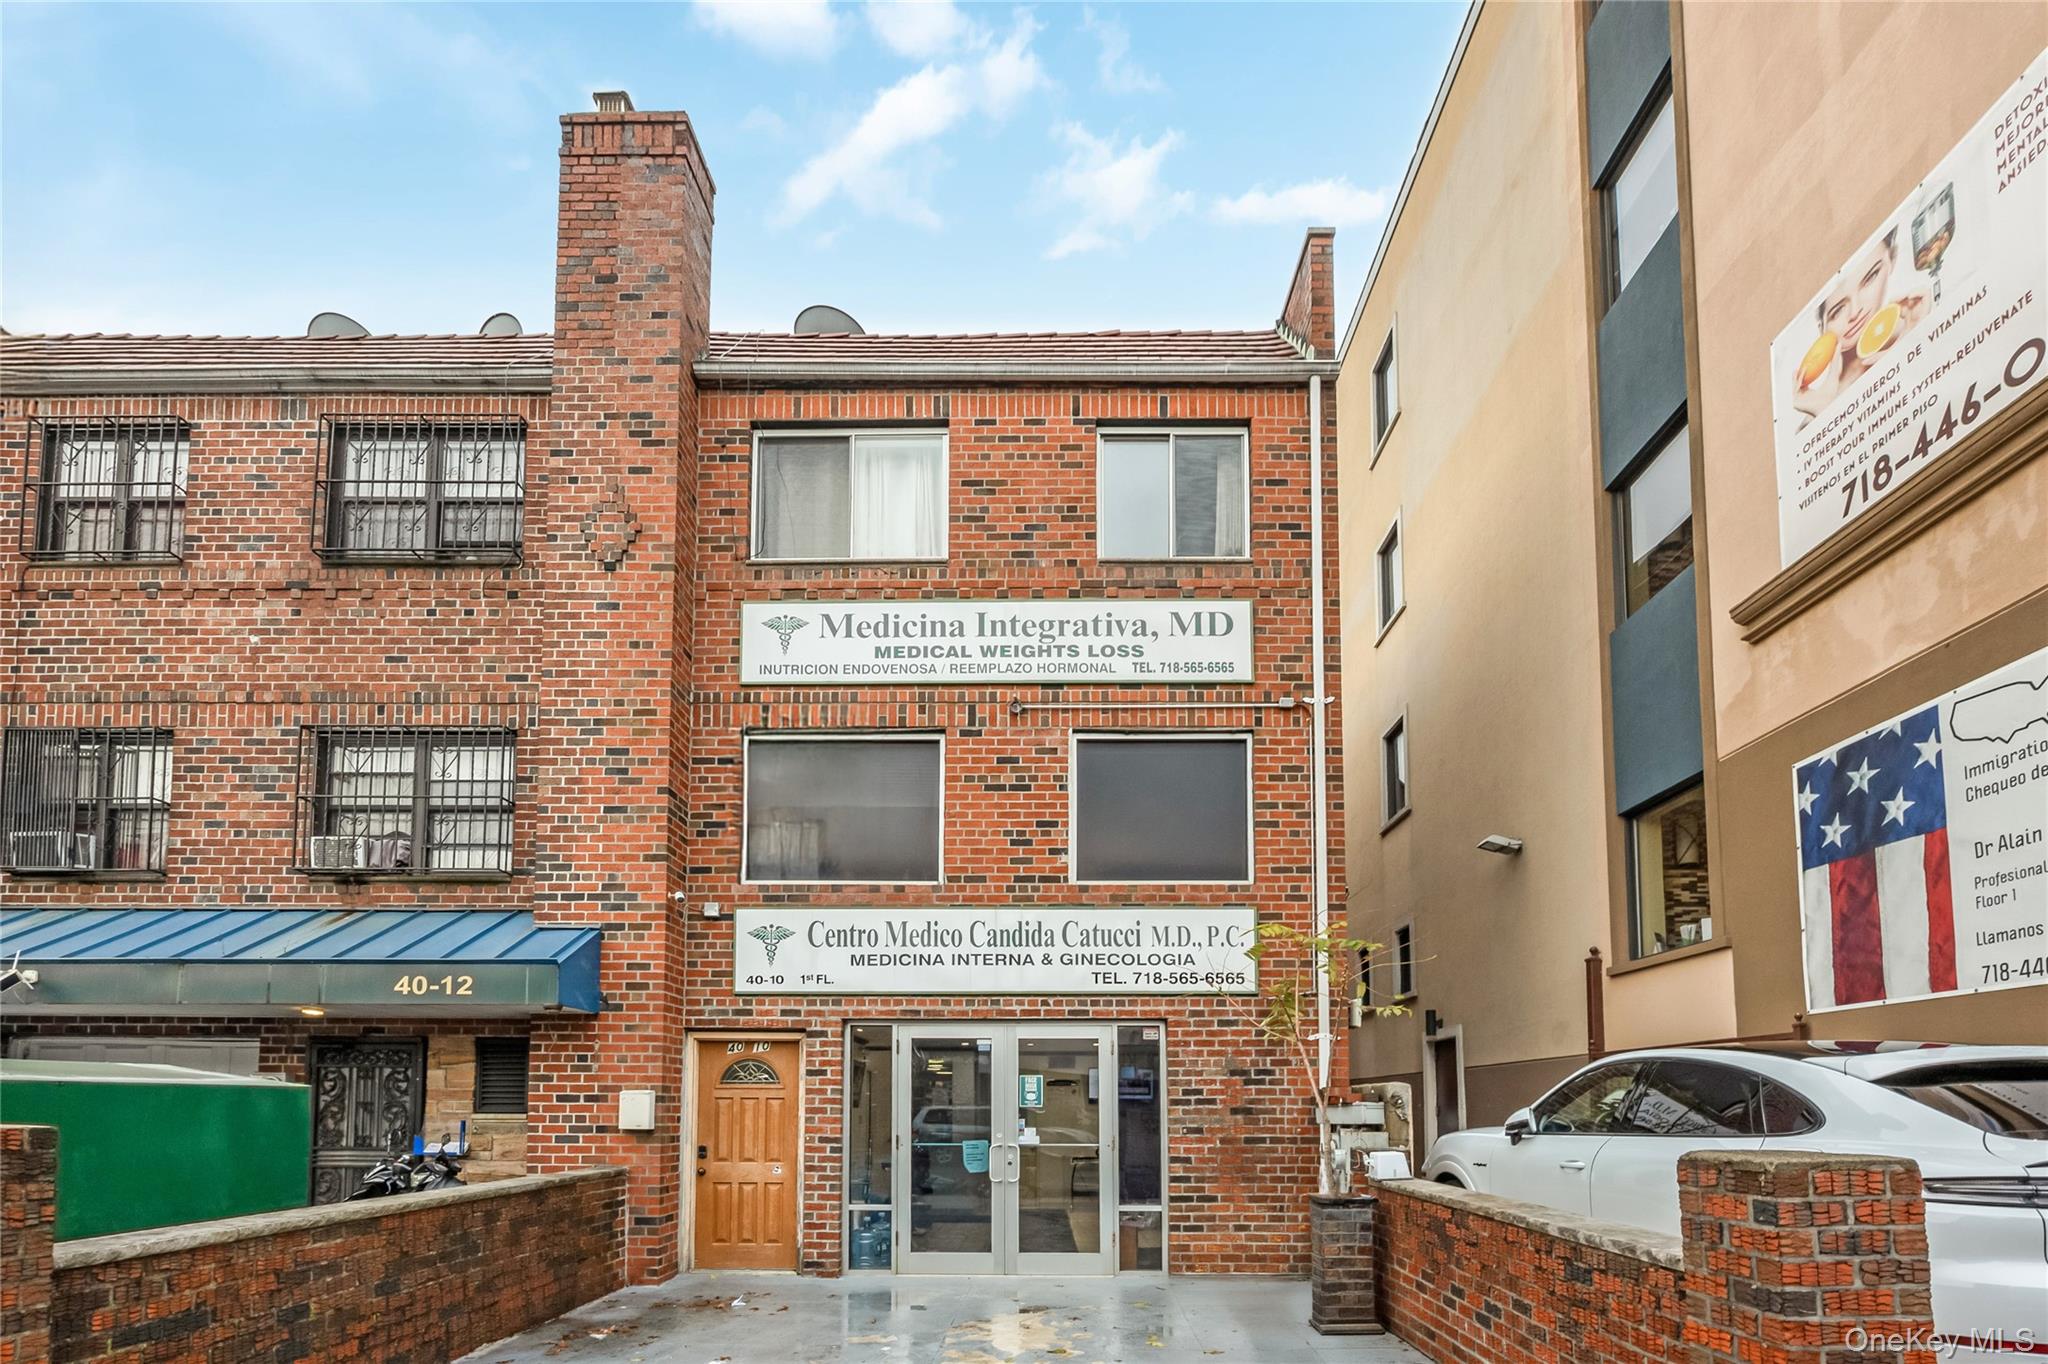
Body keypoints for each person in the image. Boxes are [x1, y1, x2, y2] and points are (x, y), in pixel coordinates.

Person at [1790, 226, 1932, 420]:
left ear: (1892, 260)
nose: (1855, 311)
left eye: (1871, 277)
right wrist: (1825, 416)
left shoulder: (1918, 324)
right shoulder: (1813, 413)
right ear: (1822, 328)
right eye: (1838, 310)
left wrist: (1916, 342)